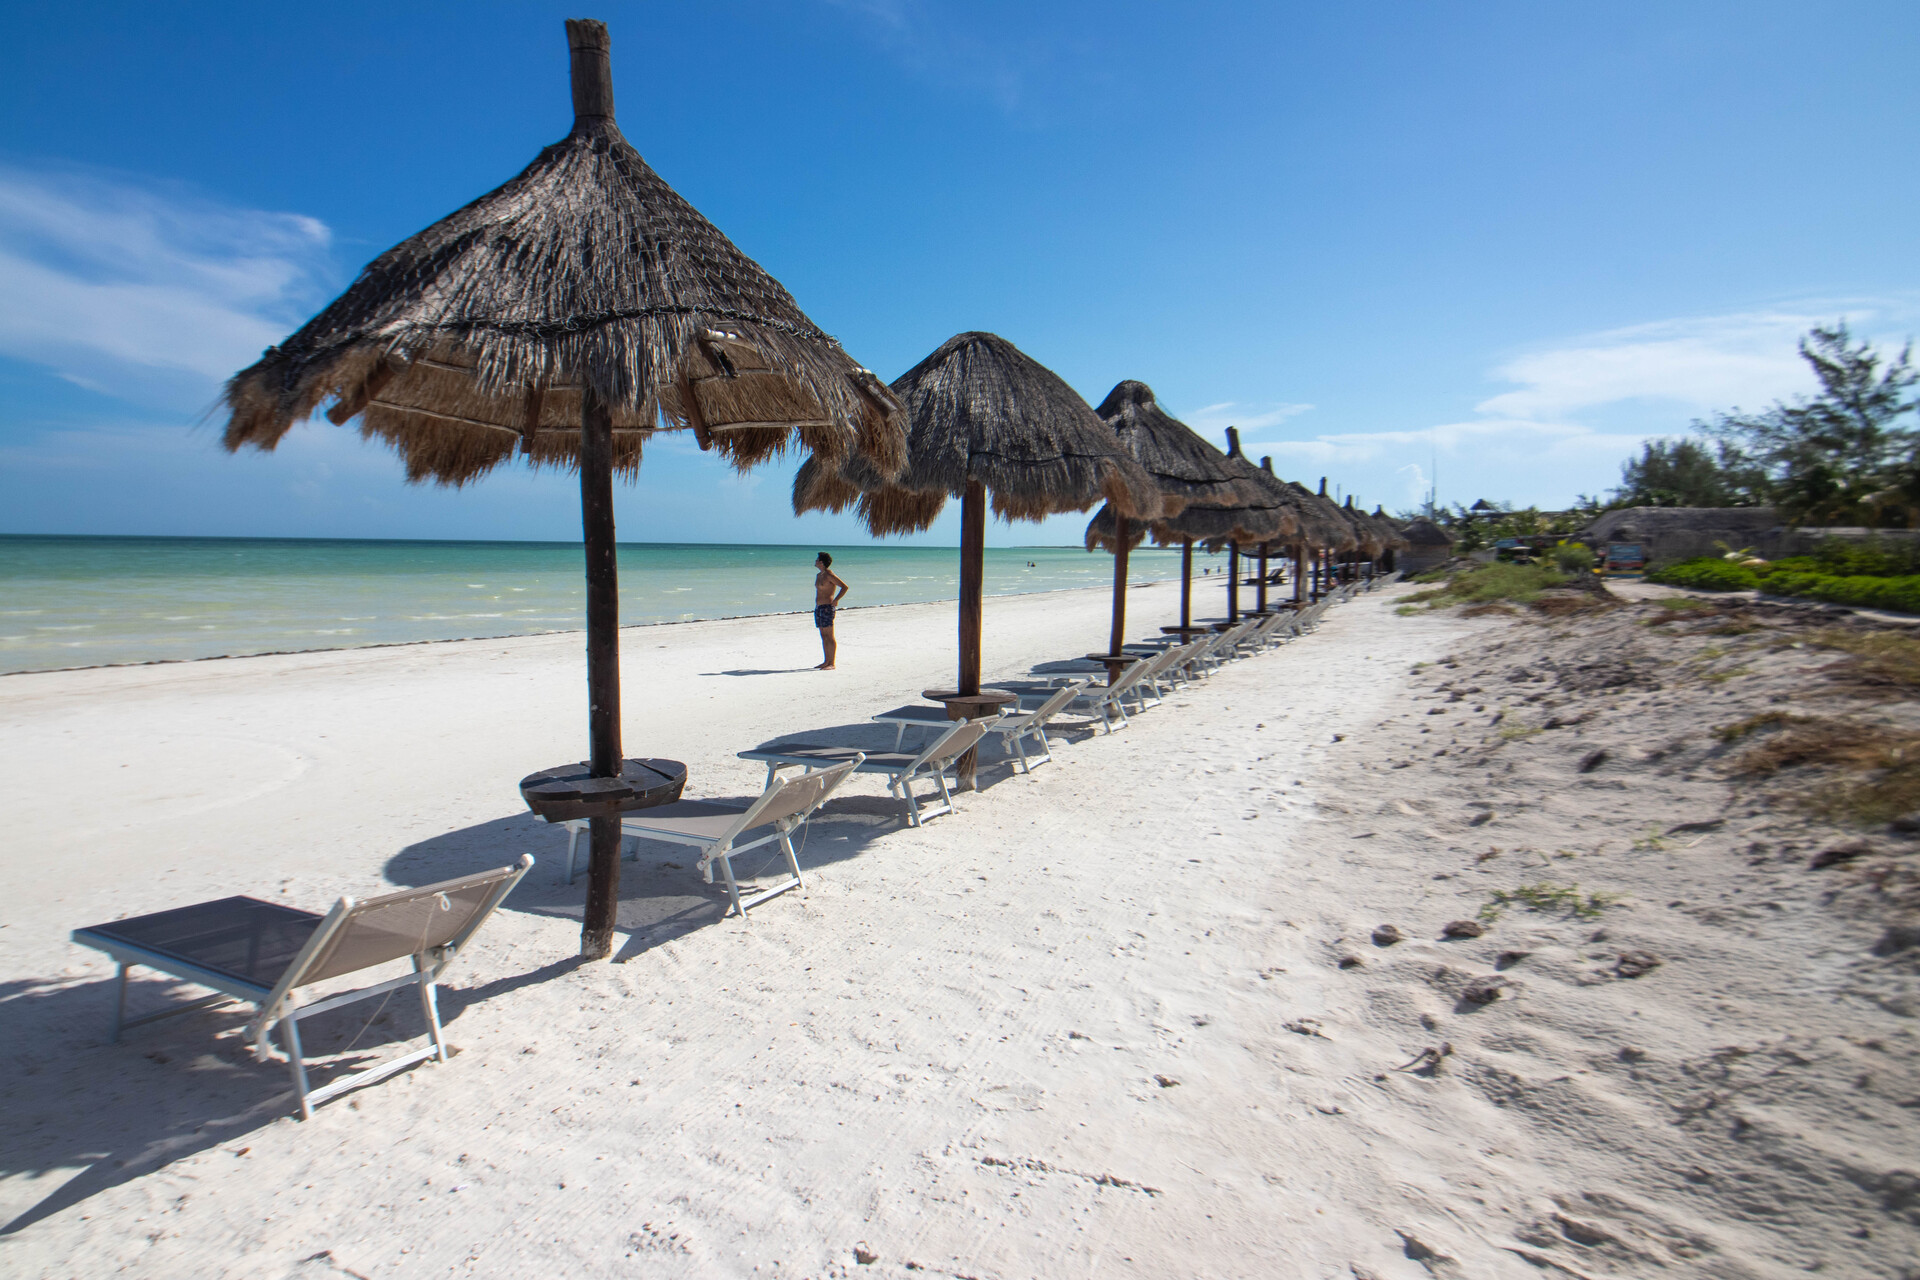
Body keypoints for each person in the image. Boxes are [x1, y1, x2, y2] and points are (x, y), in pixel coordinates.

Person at [812, 551, 848, 670]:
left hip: (827, 607)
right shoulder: (819, 575)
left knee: (829, 635)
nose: (815, 561)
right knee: (823, 635)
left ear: (821, 562)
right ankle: (826, 661)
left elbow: (844, 587)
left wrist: (836, 599)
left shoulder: (829, 575)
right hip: (819, 608)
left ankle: (832, 663)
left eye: (817, 560)